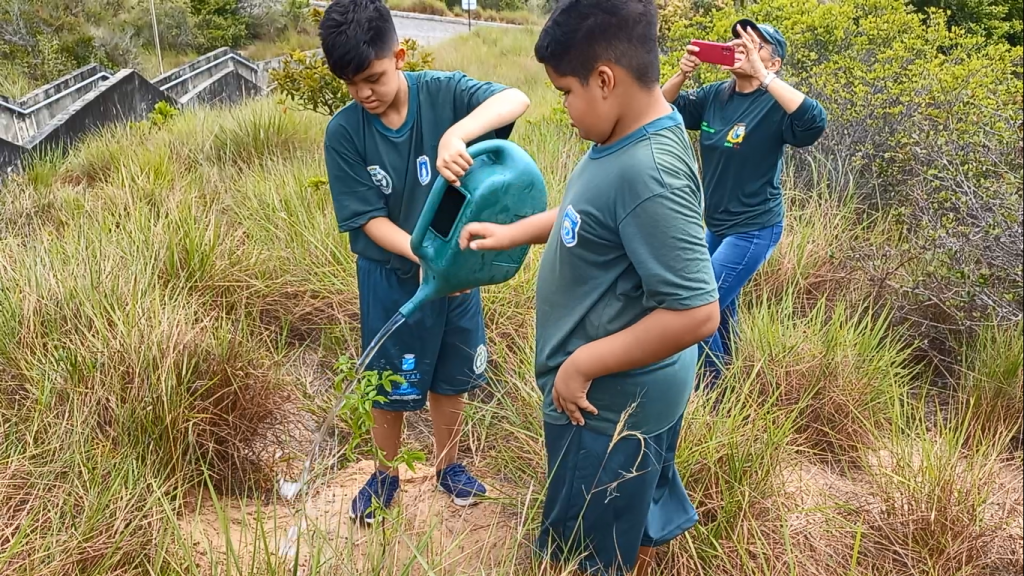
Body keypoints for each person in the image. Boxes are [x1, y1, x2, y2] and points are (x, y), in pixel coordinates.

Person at [458, 1, 720, 573]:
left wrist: (582, 364)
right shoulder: (623, 137)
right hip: (610, 401)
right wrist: (513, 233)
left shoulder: (648, 171)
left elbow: (698, 313)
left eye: (565, 92)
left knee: (586, 552)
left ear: (605, 80)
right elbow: (587, 214)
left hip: (606, 411)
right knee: (623, 528)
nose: (566, 109)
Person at [318, 0, 531, 523]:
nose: (363, 93)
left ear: (399, 54)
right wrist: (428, 254)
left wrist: (455, 135)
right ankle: (384, 473)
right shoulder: (345, 133)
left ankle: (448, 466)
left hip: (459, 277)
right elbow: (368, 220)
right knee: (386, 380)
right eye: (350, 83)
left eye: (372, 76)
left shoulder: (444, 93)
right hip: (391, 275)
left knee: (451, 375)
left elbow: (517, 97)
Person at [661, 19, 827, 388]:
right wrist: (682, 74)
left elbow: (814, 121)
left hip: (754, 227)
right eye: (737, 42)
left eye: (755, 46)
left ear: (774, 63)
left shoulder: (773, 104)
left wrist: (764, 78)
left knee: (696, 308)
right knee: (723, 306)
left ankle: (713, 390)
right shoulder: (715, 96)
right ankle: (733, 376)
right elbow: (659, 108)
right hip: (717, 225)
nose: (742, 48)